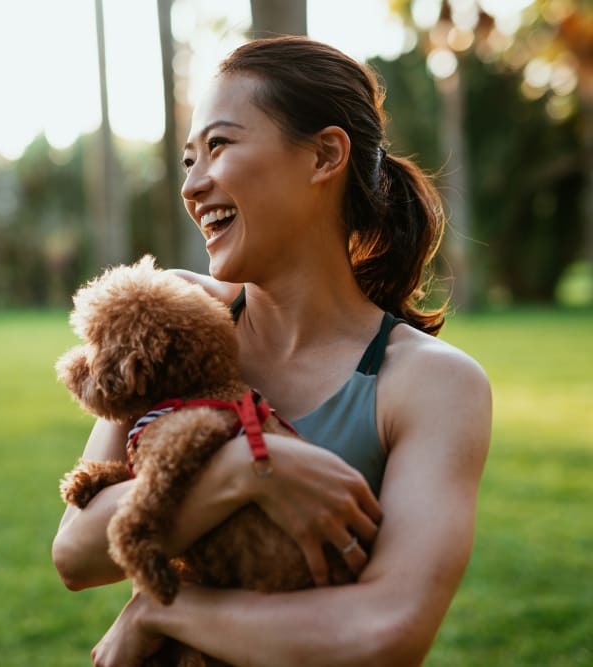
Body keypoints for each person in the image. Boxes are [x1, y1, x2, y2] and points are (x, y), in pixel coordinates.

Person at [52, 36, 492, 666]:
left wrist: (162, 608)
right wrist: (250, 471)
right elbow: (76, 553)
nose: (193, 184)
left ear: (324, 155)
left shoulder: (431, 384)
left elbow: (388, 631)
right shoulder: (172, 316)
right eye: (187, 159)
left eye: (220, 146)